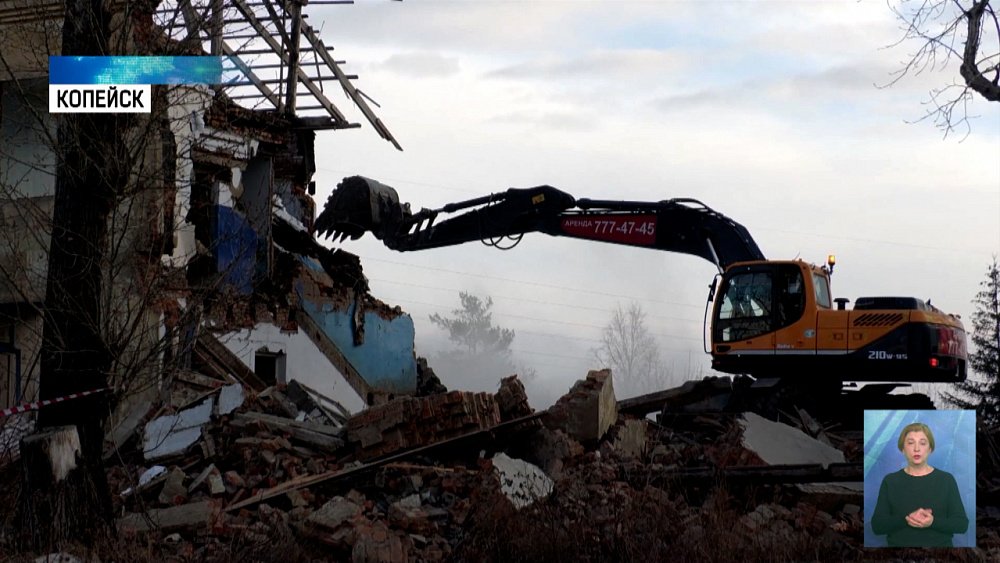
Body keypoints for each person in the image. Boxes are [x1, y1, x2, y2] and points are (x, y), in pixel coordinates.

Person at [870, 422, 969, 547]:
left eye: (922, 443)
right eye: (910, 443)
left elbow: (962, 524)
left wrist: (933, 522)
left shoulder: (946, 480)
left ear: (930, 449)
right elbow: (877, 526)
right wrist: (907, 519)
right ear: (902, 449)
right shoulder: (890, 481)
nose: (916, 448)